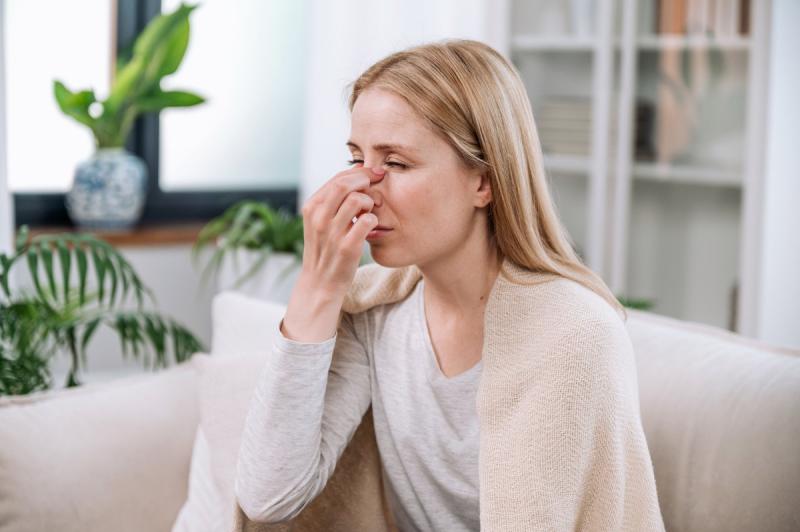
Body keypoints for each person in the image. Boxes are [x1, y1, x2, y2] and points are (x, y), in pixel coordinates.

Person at [234, 39, 665, 531]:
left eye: (395, 164)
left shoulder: (573, 335)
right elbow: (268, 496)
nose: (364, 192)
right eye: (357, 160)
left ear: (483, 181)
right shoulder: (373, 313)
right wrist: (317, 287)